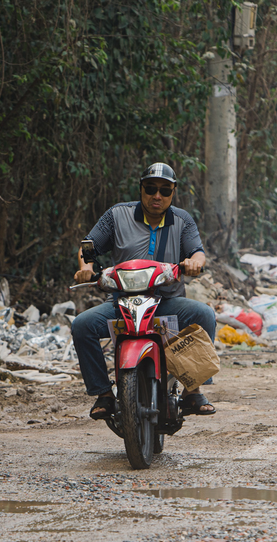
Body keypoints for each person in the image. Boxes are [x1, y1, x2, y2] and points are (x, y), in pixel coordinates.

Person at [71, 162, 218, 420]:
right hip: (120, 303)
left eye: (165, 190)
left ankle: (192, 390)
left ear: (173, 193)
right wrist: (85, 267)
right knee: (82, 325)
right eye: (151, 188)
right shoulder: (117, 215)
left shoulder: (183, 221)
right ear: (141, 189)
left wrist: (195, 263)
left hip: (166, 303)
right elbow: (88, 247)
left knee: (204, 315)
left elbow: (197, 252)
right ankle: (103, 393)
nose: (157, 195)